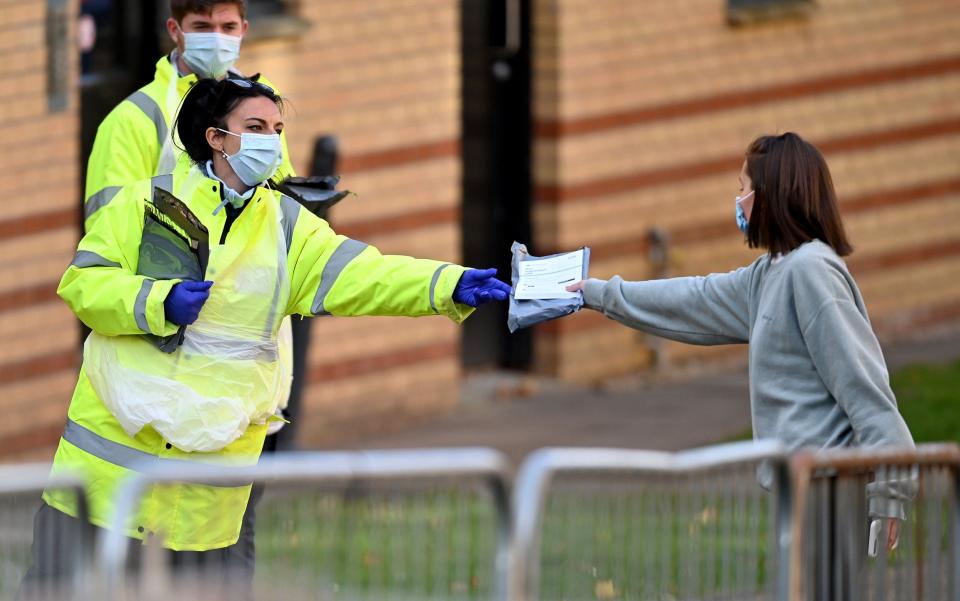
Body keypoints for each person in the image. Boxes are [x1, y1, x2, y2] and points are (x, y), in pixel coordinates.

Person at [21, 77, 510, 596]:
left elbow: (365, 274)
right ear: (215, 137)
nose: (271, 142)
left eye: (276, 130)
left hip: (203, 508)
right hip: (102, 484)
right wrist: (156, 302)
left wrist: (447, 284)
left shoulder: (287, 226)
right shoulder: (143, 204)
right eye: (255, 128)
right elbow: (83, 284)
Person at [566, 132, 915, 600]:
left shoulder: (811, 271)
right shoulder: (772, 272)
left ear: (771, 196)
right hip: (801, 490)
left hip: (830, 492)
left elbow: (864, 384)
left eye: (743, 187)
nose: (738, 200)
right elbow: (693, 299)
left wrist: (891, 491)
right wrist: (595, 294)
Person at [81, 0, 299, 580]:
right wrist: (161, 301)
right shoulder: (132, 122)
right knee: (135, 550)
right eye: (204, 27)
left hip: (243, 379)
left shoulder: (262, 111)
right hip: (161, 373)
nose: (219, 39)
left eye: (229, 27)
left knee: (227, 539)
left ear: (245, 30)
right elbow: (103, 253)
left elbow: (274, 227)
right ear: (175, 29)